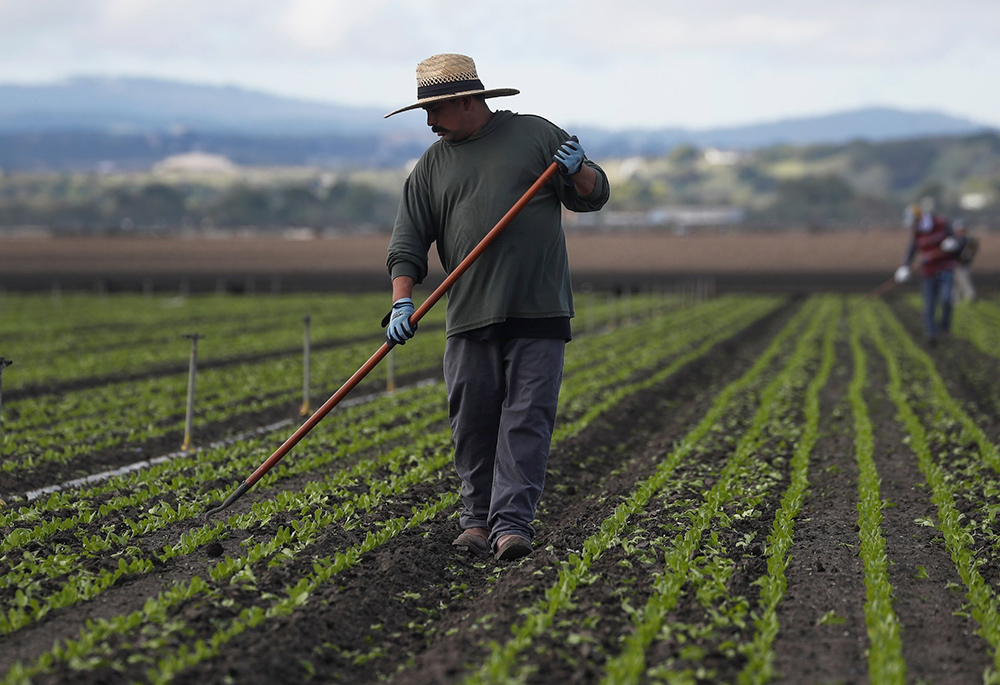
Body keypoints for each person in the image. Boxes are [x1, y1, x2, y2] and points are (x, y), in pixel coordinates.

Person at [382, 53, 610, 561]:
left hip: (539, 309)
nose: (428, 122)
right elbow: (408, 242)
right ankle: (476, 523)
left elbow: (593, 196)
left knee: (527, 418)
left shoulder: (535, 136)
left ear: (468, 101)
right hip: (467, 314)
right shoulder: (432, 166)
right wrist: (402, 302)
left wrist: (581, 172)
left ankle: (511, 525)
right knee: (473, 422)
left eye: (435, 110)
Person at [894, 199, 962, 344]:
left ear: (919, 217)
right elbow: (911, 250)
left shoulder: (941, 223)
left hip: (945, 269)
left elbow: (958, 239)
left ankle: (944, 328)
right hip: (928, 272)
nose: (913, 225)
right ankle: (931, 335)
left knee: (946, 300)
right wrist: (904, 267)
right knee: (929, 305)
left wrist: (953, 243)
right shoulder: (917, 231)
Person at [951, 219, 978, 303]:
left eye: (963, 230)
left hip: (964, 264)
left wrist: (967, 257)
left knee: (963, 280)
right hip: (955, 264)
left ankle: (970, 296)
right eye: (960, 230)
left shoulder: (968, 241)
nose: (961, 232)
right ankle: (956, 300)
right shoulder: (953, 240)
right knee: (958, 282)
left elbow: (971, 252)